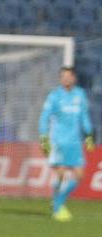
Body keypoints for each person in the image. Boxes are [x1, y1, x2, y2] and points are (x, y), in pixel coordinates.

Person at [38, 66, 95, 222]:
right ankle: (57, 208)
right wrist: (44, 137)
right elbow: (44, 117)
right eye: (62, 76)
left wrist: (89, 134)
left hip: (75, 142)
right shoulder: (55, 96)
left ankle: (57, 202)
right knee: (61, 174)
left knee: (79, 175)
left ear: (74, 78)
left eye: (68, 76)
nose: (65, 79)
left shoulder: (80, 95)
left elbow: (84, 116)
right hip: (58, 141)